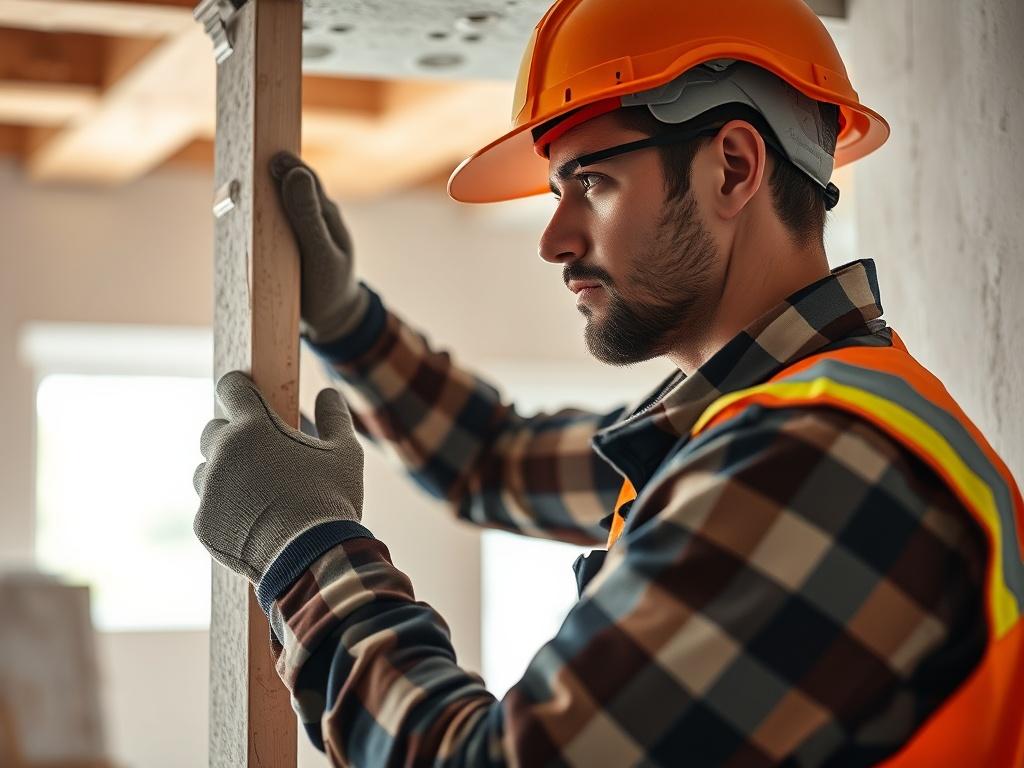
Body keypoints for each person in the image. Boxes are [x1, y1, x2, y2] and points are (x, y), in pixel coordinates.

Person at [192, 1, 1024, 765]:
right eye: (557, 191)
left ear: (732, 168)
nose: (552, 239)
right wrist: (347, 325)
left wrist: (300, 549)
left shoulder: (813, 462)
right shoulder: (772, 419)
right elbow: (495, 461)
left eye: (592, 181)